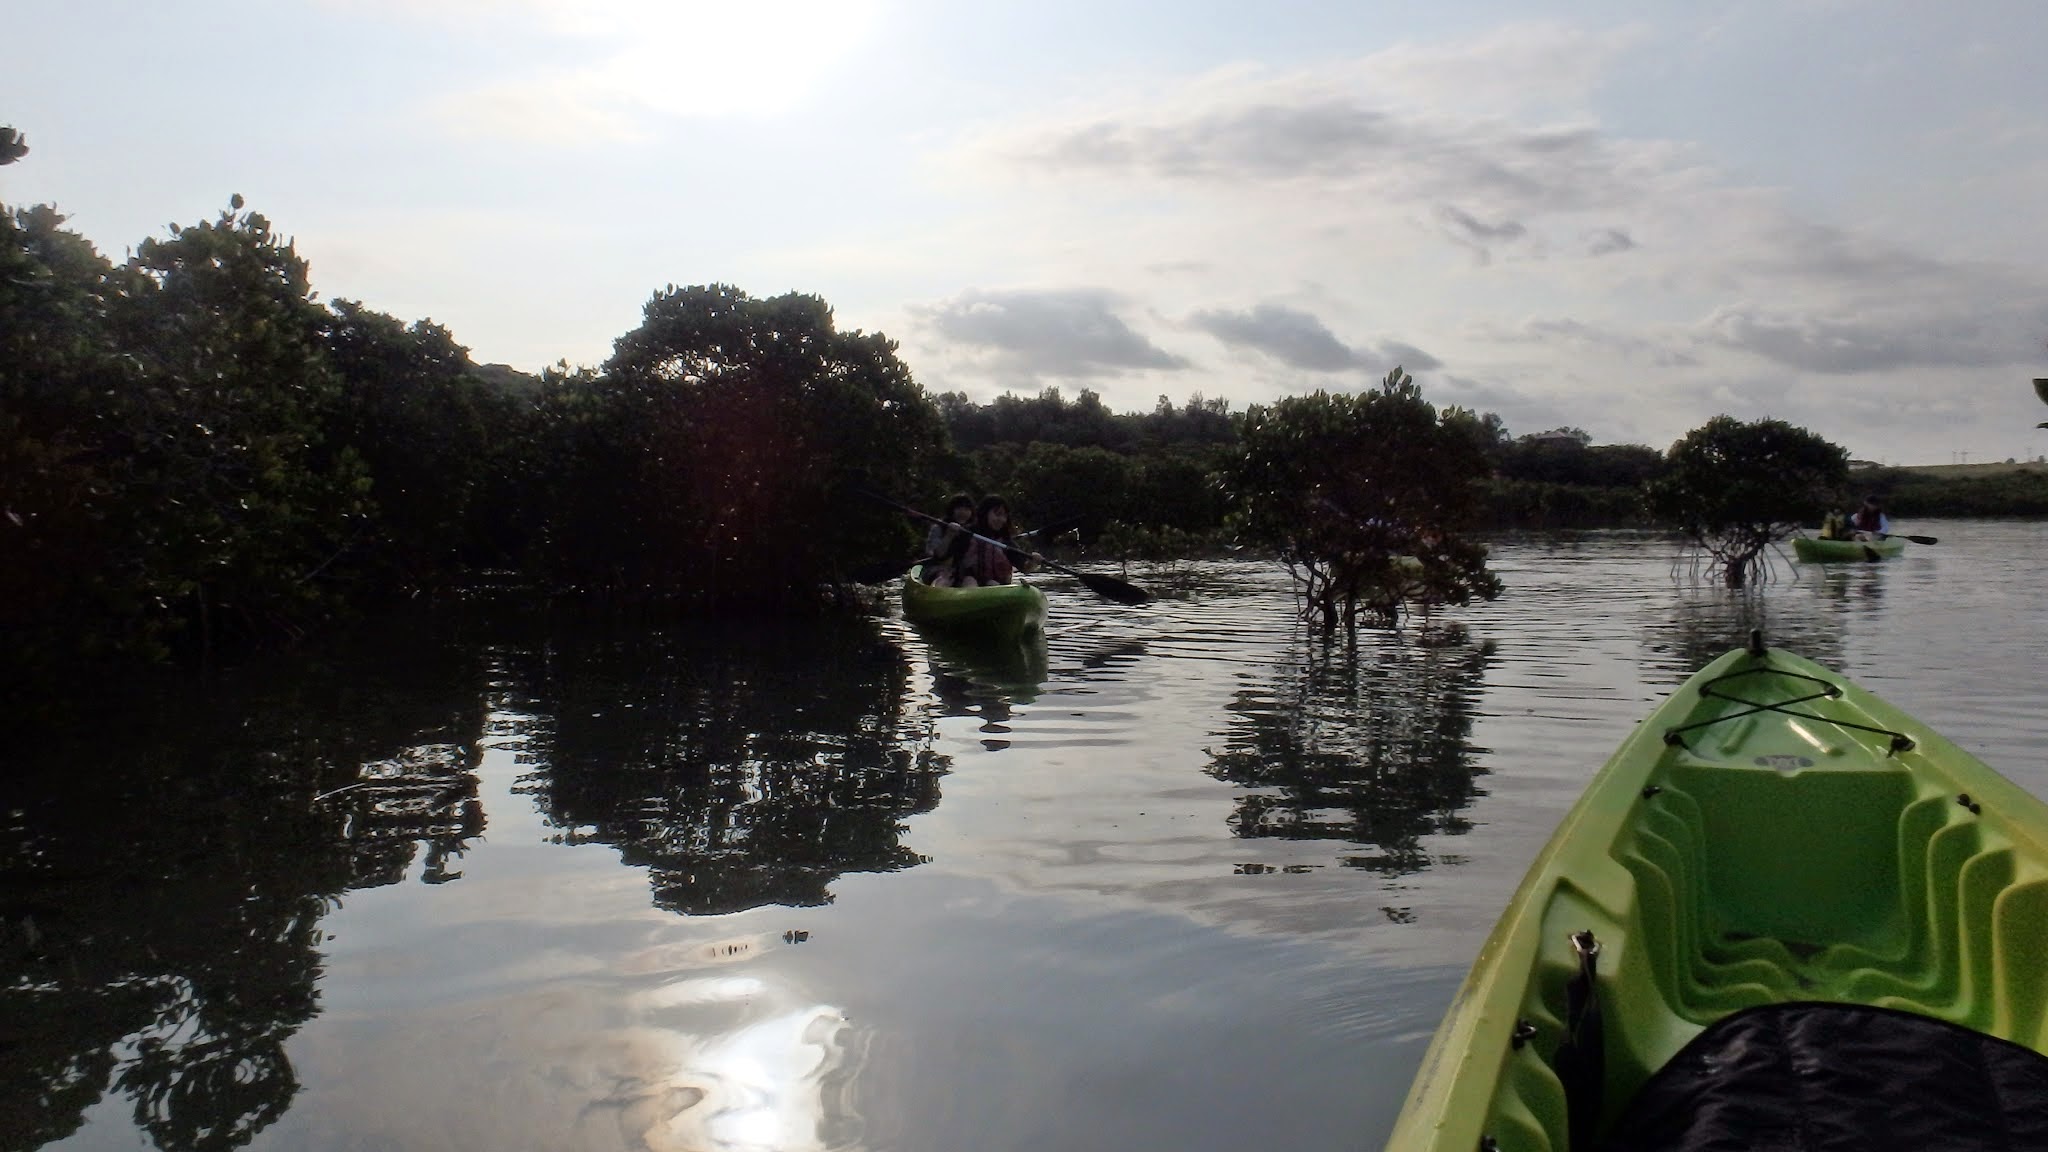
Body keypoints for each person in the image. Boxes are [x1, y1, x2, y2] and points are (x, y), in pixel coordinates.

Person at [954, 494, 1039, 587]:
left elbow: (1025, 568)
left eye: (1004, 516)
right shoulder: (967, 534)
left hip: (995, 583)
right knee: (969, 580)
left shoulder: (1005, 541)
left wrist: (1033, 562)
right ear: (985, 513)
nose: (1002, 519)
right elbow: (946, 559)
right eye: (997, 514)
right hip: (968, 581)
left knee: (992, 583)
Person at [922, 494, 975, 585]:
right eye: (959, 508)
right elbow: (938, 554)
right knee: (942, 578)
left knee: (970, 580)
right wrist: (949, 535)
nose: (963, 513)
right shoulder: (938, 527)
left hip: (960, 570)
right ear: (952, 510)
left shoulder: (971, 531)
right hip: (937, 568)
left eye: (967, 509)